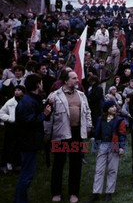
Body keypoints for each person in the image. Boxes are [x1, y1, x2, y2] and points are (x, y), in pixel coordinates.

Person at [44, 71, 92, 203]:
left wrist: (88, 126)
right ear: (66, 81)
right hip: (60, 133)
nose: (77, 80)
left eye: (77, 78)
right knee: (59, 163)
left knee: (76, 164)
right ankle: (56, 193)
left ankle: (74, 193)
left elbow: (87, 111)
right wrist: (47, 134)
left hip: (77, 133)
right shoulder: (54, 96)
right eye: (74, 78)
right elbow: (48, 117)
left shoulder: (82, 95)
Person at [14, 74, 51, 203]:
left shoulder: (33, 99)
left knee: (27, 174)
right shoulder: (27, 102)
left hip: (31, 143)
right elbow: (28, 121)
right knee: (26, 175)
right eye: (41, 82)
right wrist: (43, 115)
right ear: (37, 85)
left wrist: (46, 110)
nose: (42, 85)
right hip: (27, 143)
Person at [87, 100, 127, 202]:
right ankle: (96, 192)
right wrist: (96, 146)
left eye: (114, 106)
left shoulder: (119, 120)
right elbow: (97, 133)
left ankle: (109, 192)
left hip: (114, 145)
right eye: (111, 106)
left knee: (112, 169)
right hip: (102, 145)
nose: (114, 108)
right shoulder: (101, 119)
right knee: (99, 169)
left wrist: (122, 147)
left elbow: (122, 134)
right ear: (106, 109)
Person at [0, 85, 24, 174]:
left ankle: (17, 164)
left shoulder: (24, 102)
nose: (16, 92)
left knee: (18, 146)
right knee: (8, 146)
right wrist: (10, 118)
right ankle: (5, 164)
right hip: (11, 128)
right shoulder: (10, 102)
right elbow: (1, 113)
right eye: (15, 90)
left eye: (19, 90)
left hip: (20, 127)